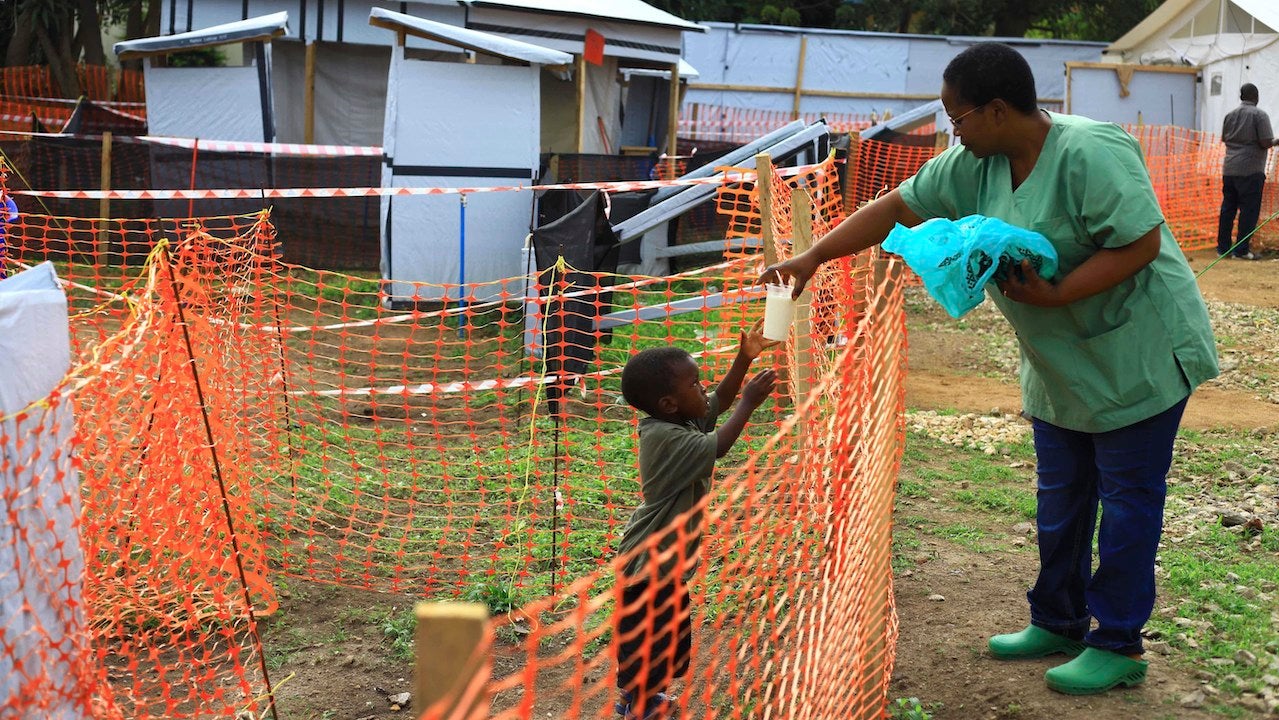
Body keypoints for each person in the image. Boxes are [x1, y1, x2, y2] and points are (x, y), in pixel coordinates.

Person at [761, 42, 1218, 696]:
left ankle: (1117, 642)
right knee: (1059, 498)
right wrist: (810, 258)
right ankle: (1057, 620)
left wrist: (1057, 293)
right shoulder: (975, 165)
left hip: (1135, 354)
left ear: (997, 110)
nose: (952, 129)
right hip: (1061, 363)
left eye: (958, 116)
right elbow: (895, 208)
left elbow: (1140, 243)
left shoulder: (1090, 152)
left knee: (1125, 504)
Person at [613, 322, 777, 719]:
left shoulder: (680, 419)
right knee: (648, 642)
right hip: (647, 566)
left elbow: (717, 400)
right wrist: (749, 403)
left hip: (666, 566)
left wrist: (744, 357)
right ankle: (637, 706)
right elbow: (719, 445)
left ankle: (644, 699)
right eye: (695, 384)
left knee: (668, 641)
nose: (703, 389)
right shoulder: (665, 438)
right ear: (669, 403)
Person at [1217, 82, 1279, 260]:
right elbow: (1266, 142)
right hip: (1251, 169)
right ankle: (1241, 250)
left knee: (1228, 208)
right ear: (1256, 97)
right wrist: (1276, 141)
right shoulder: (1259, 115)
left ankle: (1223, 249)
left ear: (1241, 96)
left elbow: (1224, 138)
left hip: (1229, 169)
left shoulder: (1229, 115)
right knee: (1249, 210)